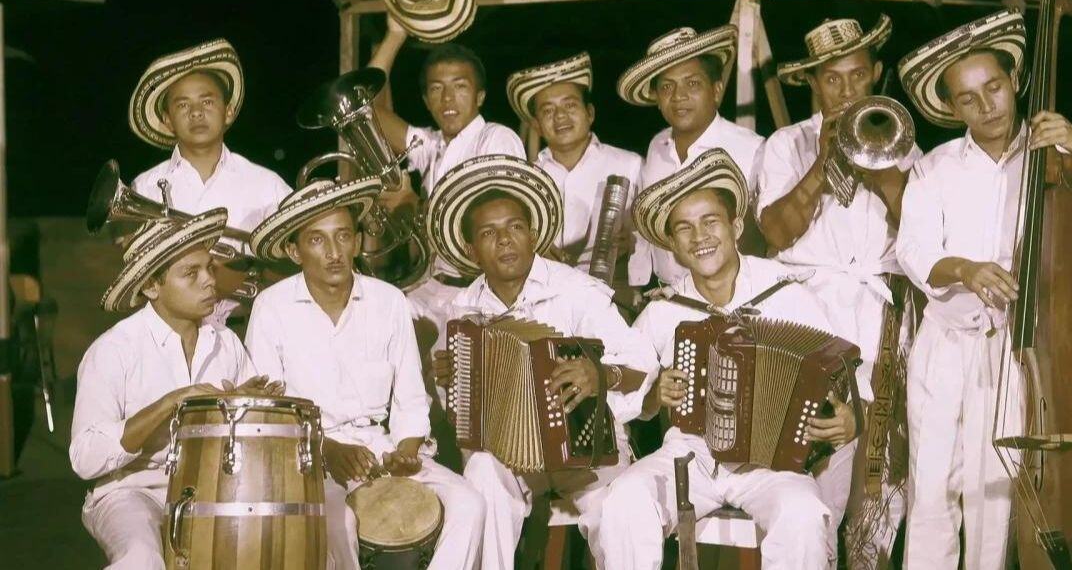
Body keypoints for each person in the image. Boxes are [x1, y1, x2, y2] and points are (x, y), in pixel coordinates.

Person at [895, 9, 1072, 570]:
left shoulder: (1056, 152)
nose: (986, 106)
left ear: (1016, 80)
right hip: (945, 346)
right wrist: (966, 269)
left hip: (1021, 353)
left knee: (995, 494)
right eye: (967, 98)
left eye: (993, 87)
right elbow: (914, 252)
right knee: (929, 493)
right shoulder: (935, 167)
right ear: (951, 108)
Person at [587, 149, 856, 569]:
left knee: (803, 515)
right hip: (690, 458)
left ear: (735, 226)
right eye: (684, 229)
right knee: (623, 499)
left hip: (771, 463)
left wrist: (848, 418)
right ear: (673, 247)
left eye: (710, 221)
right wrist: (656, 394)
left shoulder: (787, 294)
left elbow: (845, 381)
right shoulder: (664, 309)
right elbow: (623, 391)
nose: (700, 237)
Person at [422, 154, 656, 569]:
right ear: (472, 249)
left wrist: (600, 373)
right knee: (481, 472)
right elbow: (461, 413)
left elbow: (641, 361)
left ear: (532, 235)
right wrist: (453, 380)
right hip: (511, 451)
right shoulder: (463, 308)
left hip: (586, 447)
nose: (506, 240)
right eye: (489, 233)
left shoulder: (577, 290)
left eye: (515, 227)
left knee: (620, 508)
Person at [245, 177, 485, 570]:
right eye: (317, 240)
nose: (334, 252)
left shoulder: (388, 301)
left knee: (470, 504)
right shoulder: (271, 308)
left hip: (382, 448)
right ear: (293, 249)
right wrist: (327, 450)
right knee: (338, 523)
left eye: (343, 236)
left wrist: (406, 452)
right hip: (307, 459)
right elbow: (270, 416)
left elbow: (410, 399)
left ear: (357, 241)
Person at [758, 16, 917, 567]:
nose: (846, 91)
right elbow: (772, 233)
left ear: (876, 74)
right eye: (832, 80)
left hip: (879, 321)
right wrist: (822, 168)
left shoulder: (899, 139)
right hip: (808, 316)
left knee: (881, 471)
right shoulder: (785, 143)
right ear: (814, 83)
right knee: (815, 458)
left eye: (856, 77)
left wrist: (879, 164)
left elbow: (918, 234)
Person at [70, 209, 278, 569]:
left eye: (210, 268)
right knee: (141, 558)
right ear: (152, 286)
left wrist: (245, 407)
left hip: (210, 488)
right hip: (129, 489)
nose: (210, 281)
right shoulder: (113, 350)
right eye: (190, 273)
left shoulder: (226, 342)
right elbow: (85, 459)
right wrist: (171, 403)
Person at [366, 17, 526, 345]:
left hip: (480, 294)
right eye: (437, 89)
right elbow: (366, 108)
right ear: (426, 100)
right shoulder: (432, 144)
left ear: (480, 96)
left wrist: (413, 204)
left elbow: (490, 226)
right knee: (375, 332)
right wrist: (395, 35)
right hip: (432, 288)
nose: (448, 99)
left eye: (460, 86)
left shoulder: (496, 138)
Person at [127, 39, 292, 323]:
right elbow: (138, 281)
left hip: (248, 330)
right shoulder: (144, 188)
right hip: (170, 336)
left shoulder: (267, 184)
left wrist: (240, 280)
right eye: (182, 105)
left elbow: (295, 263)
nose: (196, 113)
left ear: (227, 111)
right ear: (167, 120)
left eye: (207, 101)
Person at [617, 25, 765, 286]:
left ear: (716, 90)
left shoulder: (751, 150)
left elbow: (761, 240)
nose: (679, 97)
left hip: (733, 297)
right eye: (666, 87)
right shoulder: (657, 146)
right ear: (657, 98)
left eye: (693, 83)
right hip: (667, 296)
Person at [508, 53, 644, 283]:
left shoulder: (630, 165)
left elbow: (656, 240)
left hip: (614, 297)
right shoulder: (526, 180)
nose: (560, 116)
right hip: (546, 299)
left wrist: (634, 244)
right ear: (537, 126)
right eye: (548, 110)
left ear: (589, 113)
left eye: (570, 105)